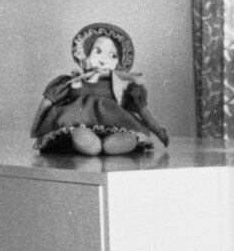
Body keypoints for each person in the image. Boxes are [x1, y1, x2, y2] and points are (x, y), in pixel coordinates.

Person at [30, 21, 169, 156]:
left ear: (119, 62)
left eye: (113, 55)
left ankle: (118, 143)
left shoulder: (124, 86)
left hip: (116, 122)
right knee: (77, 133)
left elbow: (143, 111)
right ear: (85, 55)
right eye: (97, 51)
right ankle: (85, 140)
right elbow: (47, 102)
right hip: (77, 122)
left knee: (128, 135)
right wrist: (37, 126)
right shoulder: (73, 81)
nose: (103, 59)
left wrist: (159, 131)